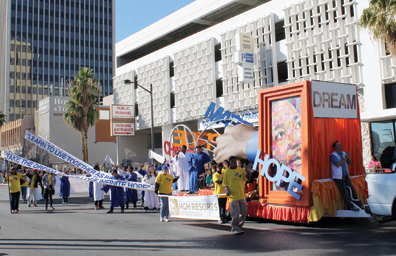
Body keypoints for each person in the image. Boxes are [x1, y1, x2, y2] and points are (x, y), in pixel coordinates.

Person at [330, 140, 364, 211]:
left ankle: (359, 203)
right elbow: (338, 164)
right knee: (344, 192)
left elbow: (350, 163)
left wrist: (348, 157)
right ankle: (350, 206)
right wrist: (345, 158)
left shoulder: (343, 153)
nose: (340, 146)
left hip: (346, 176)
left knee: (352, 189)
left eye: (340, 145)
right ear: (335, 148)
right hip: (338, 177)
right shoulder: (333, 155)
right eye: (338, 145)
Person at [223, 156, 247, 234]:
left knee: (243, 214)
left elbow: (246, 178)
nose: (234, 162)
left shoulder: (240, 170)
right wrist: (227, 190)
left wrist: (249, 172)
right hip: (233, 197)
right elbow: (225, 183)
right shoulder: (227, 172)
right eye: (232, 161)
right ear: (229, 162)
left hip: (241, 195)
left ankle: (239, 227)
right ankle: (235, 227)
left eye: (235, 161)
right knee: (235, 214)